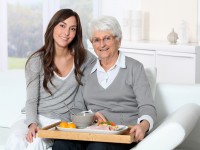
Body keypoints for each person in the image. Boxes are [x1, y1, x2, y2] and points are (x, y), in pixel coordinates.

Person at [52, 16, 157, 150]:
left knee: (97, 148)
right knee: (60, 144)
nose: (102, 45)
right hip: (90, 133)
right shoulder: (87, 71)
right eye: (96, 40)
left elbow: (147, 106)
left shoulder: (135, 68)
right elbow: (77, 109)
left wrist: (143, 125)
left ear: (118, 41)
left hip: (121, 135)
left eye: (107, 38)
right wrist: (91, 116)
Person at [5, 9, 96, 150]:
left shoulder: (85, 59)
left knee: (36, 142)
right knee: (15, 139)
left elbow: (100, 76)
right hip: (32, 117)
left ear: (76, 33)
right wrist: (32, 124)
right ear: (52, 26)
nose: (66, 33)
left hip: (59, 122)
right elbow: (31, 100)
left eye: (72, 29)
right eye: (62, 25)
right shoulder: (36, 60)